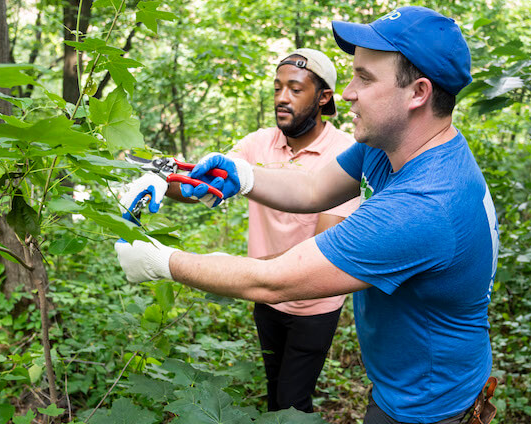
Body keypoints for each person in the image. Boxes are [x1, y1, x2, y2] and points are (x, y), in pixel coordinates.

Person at [116, 6, 499, 424]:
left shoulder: (424, 204)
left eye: (365, 78)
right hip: (407, 379)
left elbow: (276, 280)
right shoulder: (389, 146)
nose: (347, 92)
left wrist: (160, 260)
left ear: (418, 93)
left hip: (427, 406)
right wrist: (244, 175)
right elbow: (314, 187)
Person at [121, 48, 359, 412]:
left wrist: (231, 270)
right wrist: (160, 179)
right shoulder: (258, 143)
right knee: (274, 388)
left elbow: (321, 247)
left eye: (295, 89)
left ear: (324, 96)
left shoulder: (345, 154)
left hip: (313, 303)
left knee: (292, 405)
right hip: (264, 297)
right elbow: (205, 183)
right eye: (277, 87)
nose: (282, 98)